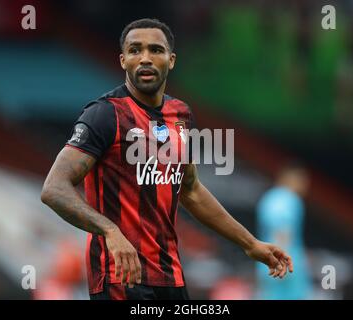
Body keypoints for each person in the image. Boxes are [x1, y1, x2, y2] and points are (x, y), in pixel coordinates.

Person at [41, 18, 293, 300]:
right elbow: (54, 189)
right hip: (121, 276)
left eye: (155, 50)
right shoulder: (103, 115)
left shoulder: (180, 115)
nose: (145, 58)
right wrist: (110, 231)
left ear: (171, 60)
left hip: (170, 275)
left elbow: (191, 190)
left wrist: (250, 244)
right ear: (123, 60)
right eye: (135, 50)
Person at [256, 162, 313, 299]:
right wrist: (281, 263)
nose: (306, 186)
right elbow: (282, 231)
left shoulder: (268, 198)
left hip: (266, 264)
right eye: (303, 180)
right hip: (286, 268)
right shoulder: (289, 199)